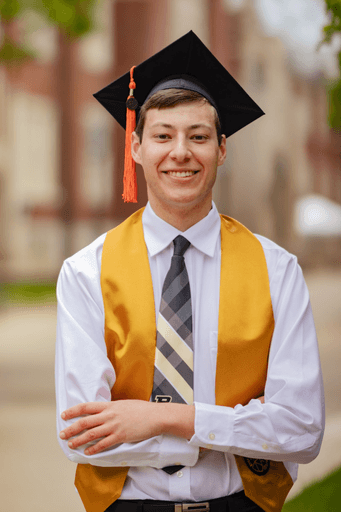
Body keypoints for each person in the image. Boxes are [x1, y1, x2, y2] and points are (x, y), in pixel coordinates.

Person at [55, 32, 324, 512]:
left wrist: (166, 420)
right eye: (163, 135)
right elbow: (81, 437)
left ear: (221, 149)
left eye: (198, 136)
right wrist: (235, 428)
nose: (180, 152)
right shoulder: (86, 273)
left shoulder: (277, 271)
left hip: (240, 504)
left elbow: (302, 431)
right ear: (135, 147)